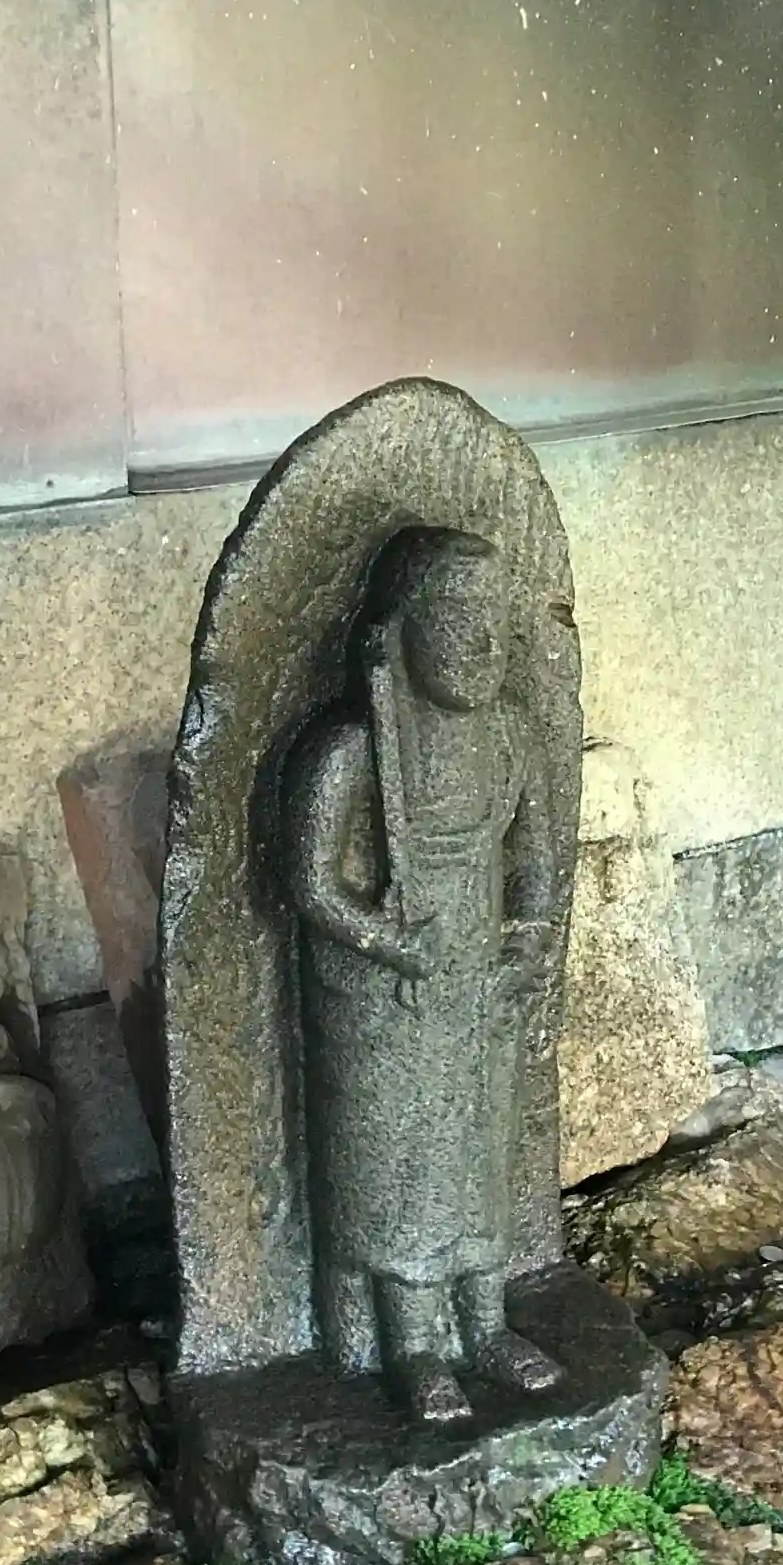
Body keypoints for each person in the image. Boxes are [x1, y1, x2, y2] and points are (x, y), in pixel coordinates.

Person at [283, 525, 565, 1421]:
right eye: (455, 619)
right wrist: (387, 941)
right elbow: (309, 882)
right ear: (399, 631)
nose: (481, 643)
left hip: (478, 987)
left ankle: (486, 1324)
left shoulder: (510, 740)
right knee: (405, 1170)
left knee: (481, 1158)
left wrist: (527, 941)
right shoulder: (353, 749)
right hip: (386, 1003)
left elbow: (536, 860)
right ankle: (414, 1345)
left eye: (493, 621)